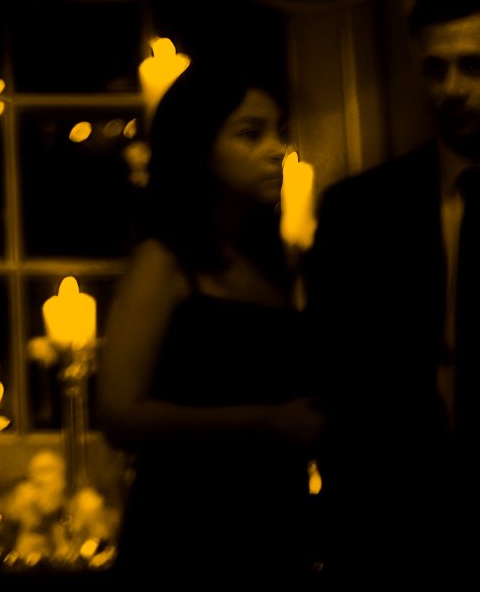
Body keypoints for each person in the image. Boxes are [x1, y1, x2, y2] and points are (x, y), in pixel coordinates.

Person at [312, 0, 480, 579]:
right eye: (434, 69)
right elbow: (338, 381)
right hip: (404, 533)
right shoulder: (360, 213)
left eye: (474, 66)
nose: (450, 89)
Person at [98, 65, 320, 584]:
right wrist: (263, 422)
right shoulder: (164, 259)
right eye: (251, 134)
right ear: (198, 147)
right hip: (188, 527)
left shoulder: (271, 260)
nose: (276, 150)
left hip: (269, 522)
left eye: (280, 132)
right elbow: (118, 415)